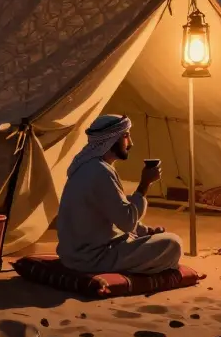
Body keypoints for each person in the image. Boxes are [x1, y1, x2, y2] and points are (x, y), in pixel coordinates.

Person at [55, 114, 182, 274]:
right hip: (92, 259)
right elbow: (126, 222)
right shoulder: (101, 171)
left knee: (151, 237)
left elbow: (113, 213)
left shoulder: (88, 166)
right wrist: (145, 184)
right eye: (126, 136)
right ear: (112, 139)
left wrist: (145, 232)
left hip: (73, 256)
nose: (131, 143)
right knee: (173, 244)